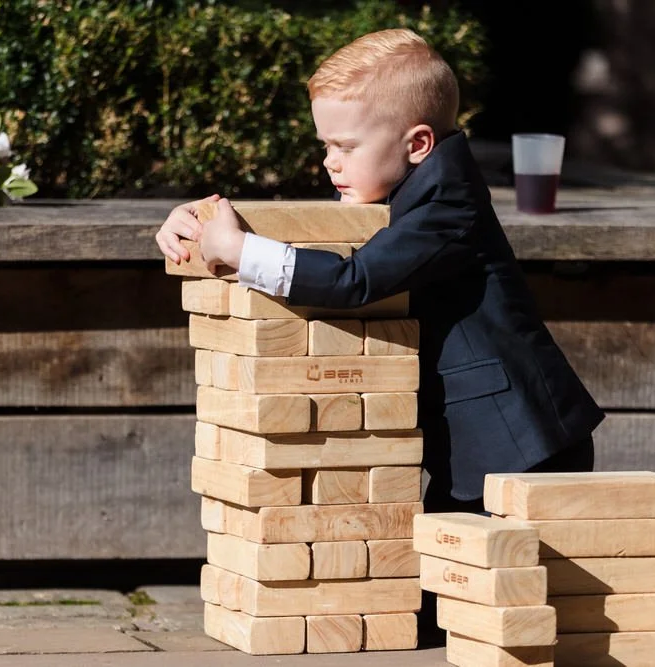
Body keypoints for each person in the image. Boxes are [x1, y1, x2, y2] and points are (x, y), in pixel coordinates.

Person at [157, 28, 603, 513]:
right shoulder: (398, 188)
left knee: (465, 581)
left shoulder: (449, 207)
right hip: (478, 448)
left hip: (523, 441)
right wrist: (204, 220)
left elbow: (355, 280)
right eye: (325, 146)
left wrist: (240, 251)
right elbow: (314, 239)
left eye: (346, 147)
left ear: (418, 145)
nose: (330, 162)